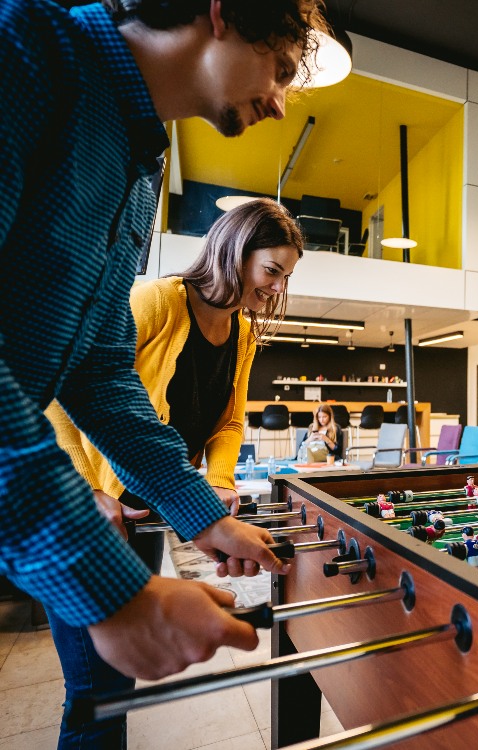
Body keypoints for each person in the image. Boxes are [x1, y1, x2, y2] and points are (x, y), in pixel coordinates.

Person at [0, 0, 327, 716]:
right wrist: (107, 585)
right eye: (278, 69)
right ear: (221, 13)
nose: (279, 103)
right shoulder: (22, 48)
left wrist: (201, 512)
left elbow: (100, 375)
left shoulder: (140, 167)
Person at [43, 198, 303, 746]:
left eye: (287, 276)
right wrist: (84, 491)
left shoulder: (242, 333)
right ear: (235, 252)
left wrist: (218, 485)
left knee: (117, 685)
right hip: (92, 516)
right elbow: (63, 392)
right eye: (272, 270)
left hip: (149, 513)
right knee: (96, 694)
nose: (279, 287)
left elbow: (230, 421)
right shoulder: (157, 300)